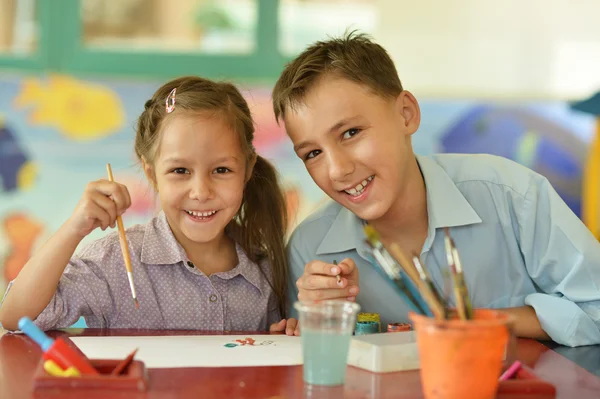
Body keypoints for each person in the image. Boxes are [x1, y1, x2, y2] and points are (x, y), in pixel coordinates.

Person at [273, 32, 600, 346]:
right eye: (312, 153)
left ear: (406, 114)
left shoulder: (513, 197)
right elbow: (298, 349)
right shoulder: (310, 248)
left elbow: (595, 308)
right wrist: (319, 320)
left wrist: (481, 321)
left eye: (351, 132)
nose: (337, 170)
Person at [0, 76, 298, 335]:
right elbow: (17, 318)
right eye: (180, 171)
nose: (201, 191)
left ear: (247, 170)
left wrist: (281, 334)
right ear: (151, 173)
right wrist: (73, 229)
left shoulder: (266, 269)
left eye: (221, 170)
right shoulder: (114, 260)